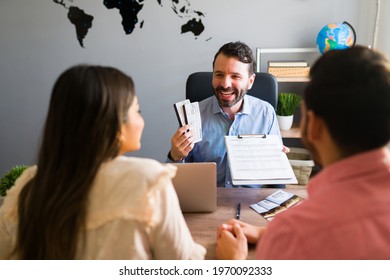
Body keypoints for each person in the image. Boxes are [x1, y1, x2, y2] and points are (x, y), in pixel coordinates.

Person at [0, 65, 206, 260]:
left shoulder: (27, 185)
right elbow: (185, 267)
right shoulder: (147, 180)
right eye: (137, 111)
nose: (142, 120)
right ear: (114, 126)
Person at [216, 46, 390, 259]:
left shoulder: (294, 233)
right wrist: (267, 232)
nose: (225, 83)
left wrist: (234, 264)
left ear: (313, 125)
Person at [167, 41, 286, 188]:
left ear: (250, 81)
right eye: (219, 74)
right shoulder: (193, 115)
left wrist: (278, 162)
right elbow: (174, 181)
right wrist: (175, 155)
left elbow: (275, 179)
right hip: (206, 201)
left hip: (251, 202)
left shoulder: (266, 113)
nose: (225, 84)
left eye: (235, 76)